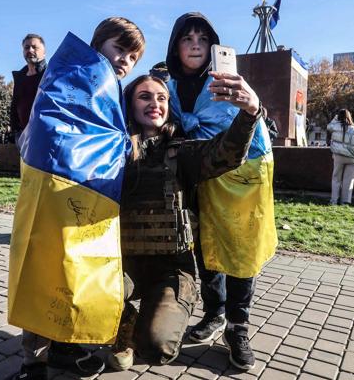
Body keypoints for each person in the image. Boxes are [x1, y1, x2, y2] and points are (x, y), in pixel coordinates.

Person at [10, 17, 145, 380]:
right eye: (119, 49)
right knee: (44, 265)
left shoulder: (108, 91)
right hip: (56, 195)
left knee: (70, 270)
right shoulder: (71, 76)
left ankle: (64, 347)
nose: (125, 61)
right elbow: (50, 128)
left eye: (133, 57)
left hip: (83, 199)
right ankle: (34, 359)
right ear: (98, 43)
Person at [107, 74, 261, 371]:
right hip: (121, 267)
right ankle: (124, 321)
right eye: (145, 96)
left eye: (162, 98)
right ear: (129, 103)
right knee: (84, 293)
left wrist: (250, 112)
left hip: (172, 269)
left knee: (157, 348)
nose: (155, 103)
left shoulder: (183, 151)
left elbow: (226, 153)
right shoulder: (112, 150)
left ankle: (144, 327)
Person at [165, 12, 277, 371]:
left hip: (244, 167)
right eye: (187, 38)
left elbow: (253, 117)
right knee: (206, 245)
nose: (195, 44)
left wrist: (253, 104)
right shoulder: (167, 85)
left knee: (241, 249)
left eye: (202, 38)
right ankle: (214, 314)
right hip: (199, 168)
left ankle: (238, 326)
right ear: (175, 47)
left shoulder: (230, 79)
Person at [10, 34, 47, 146]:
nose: (30, 50)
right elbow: (15, 105)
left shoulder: (50, 75)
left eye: (34, 47)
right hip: (23, 135)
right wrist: (15, 130)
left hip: (44, 134)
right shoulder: (20, 77)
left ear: (44, 52)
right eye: (26, 47)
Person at [327, 109, 354, 205]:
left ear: (338, 117)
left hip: (339, 155)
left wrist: (335, 117)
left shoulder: (335, 126)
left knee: (336, 179)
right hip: (352, 157)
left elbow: (328, 127)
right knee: (349, 179)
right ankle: (345, 201)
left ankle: (334, 201)